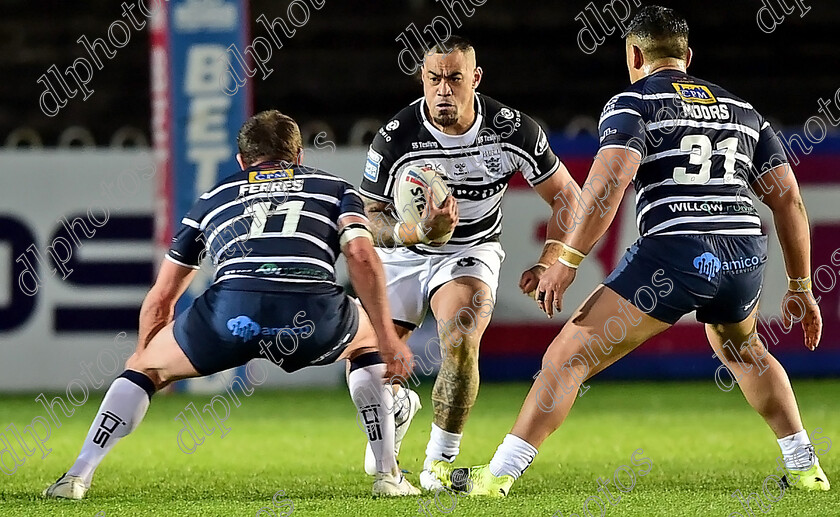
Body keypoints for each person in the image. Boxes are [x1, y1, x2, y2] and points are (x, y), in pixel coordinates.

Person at [431, 6, 830, 497]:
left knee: (567, 358)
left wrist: (567, 261)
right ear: (688, 56)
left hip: (677, 252)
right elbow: (788, 198)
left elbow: (608, 184)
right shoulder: (743, 110)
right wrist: (801, 285)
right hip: (745, 256)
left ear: (634, 54)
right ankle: (806, 468)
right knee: (743, 349)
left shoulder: (633, 102)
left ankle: (495, 479)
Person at [43, 110, 420, 499]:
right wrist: (389, 338)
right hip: (311, 315)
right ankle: (388, 475)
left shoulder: (213, 197)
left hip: (231, 313)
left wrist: (145, 358)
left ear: (241, 162)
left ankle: (77, 476)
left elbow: (162, 297)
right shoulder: (336, 188)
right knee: (366, 344)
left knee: (143, 369)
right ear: (299, 156)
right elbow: (360, 255)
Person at [358, 36, 580, 489]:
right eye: (433, 78)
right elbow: (369, 212)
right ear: (422, 79)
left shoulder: (512, 130)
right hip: (404, 251)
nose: (443, 89)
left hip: (468, 249)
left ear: (474, 79)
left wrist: (549, 259)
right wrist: (414, 232)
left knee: (460, 333)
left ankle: (437, 464)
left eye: (454, 78)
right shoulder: (396, 136)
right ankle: (395, 410)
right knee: (369, 364)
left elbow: (567, 198)